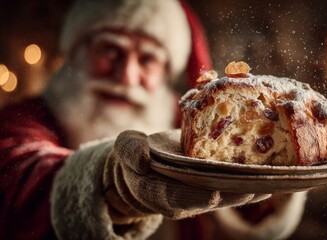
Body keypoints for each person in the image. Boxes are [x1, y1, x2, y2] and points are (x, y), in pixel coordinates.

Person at [0, 0, 307, 239]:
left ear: (165, 70)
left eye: (146, 58)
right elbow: (17, 178)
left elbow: (246, 206)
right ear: (77, 52)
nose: (127, 76)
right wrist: (112, 184)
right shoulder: (24, 119)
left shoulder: (193, 127)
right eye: (110, 50)